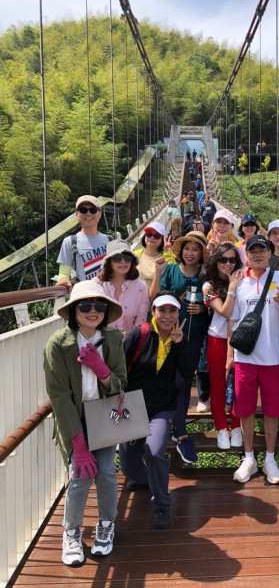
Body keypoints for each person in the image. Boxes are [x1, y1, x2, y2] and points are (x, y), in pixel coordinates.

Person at [43, 280, 126, 566]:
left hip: (104, 416)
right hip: (75, 421)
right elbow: (59, 396)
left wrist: (101, 370)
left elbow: (121, 386)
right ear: (73, 310)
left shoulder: (113, 340)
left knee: (105, 472)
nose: (93, 311)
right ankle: (72, 532)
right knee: (79, 476)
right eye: (85, 306)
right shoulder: (58, 344)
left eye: (99, 306)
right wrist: (77, 443)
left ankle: (106, 524)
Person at [228, 235, 279, 485]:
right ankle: (249, 458)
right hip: (245, 358)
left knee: (272, 411)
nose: (257, 254)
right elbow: (232, 320)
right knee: (245, 410)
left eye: (262, 249)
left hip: (274, 357)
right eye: (252, 250)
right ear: (246, 254)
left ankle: (270, 458)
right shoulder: (239, 281)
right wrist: (230, 355)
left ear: (270, 253)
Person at [123, 292, 189, 529]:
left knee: (154, 450)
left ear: (178, 314)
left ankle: (162, 505)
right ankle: (143, 479)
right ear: (153, 312)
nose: (167, 316)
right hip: (132, 405)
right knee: (129, 464)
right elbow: (120, 366)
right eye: (162, 310)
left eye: (172, 311)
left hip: (161, 408)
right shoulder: (139, 335)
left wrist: (180, 345)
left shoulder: (180, 338)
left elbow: (187, 372)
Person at [152, 231, 209, 463]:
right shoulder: (171, 271)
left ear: (202, 253)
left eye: (195, 249)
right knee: (168, 379)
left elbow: (214, 300)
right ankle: (168, 427)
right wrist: (178, 295)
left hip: (193, 336)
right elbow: (158, 298)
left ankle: (180, 431)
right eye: (187, 249)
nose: (190, 253)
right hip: (167, 334)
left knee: (184, 380)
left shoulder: (205, 275)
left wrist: (204, 309)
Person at [203, 243, 243, 449]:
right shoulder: (209, 286)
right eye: (223, 260)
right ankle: (220, 426)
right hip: (217, 339)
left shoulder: (245, 280)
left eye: (232, 260)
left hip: (243, 340)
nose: (228, 264)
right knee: (218, 384)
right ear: (215, 262)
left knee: (240, 385)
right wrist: (233, 288)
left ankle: (236, 425)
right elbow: (226, 312)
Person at [96, 240, 149, 335]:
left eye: (127, 258)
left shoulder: (141, 287)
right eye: (117, 258)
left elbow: (141, 320)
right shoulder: (99, 285)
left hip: (131, 342)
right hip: (103, 341)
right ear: (109, 261)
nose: (123, 262)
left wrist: (130, 340)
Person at [56, 195, 108, 288]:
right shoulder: (70, 242)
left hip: (108, 296)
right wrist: (64, 280)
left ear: (100, 213)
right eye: (83, 210)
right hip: (85, 296)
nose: (88, 214)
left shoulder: (110, 240)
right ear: (76, 214)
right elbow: (63, 273)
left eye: (93, 210)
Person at [136, 221, 166, 289]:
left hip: (157, 298)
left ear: (163, 239)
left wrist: (168, 252)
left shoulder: (166, 257)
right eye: (149, 234)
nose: (152, 238)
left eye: (157, 236)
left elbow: (174, 270)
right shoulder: (136, 254)